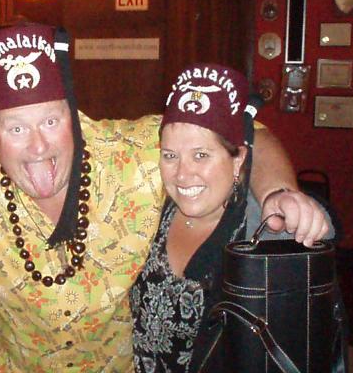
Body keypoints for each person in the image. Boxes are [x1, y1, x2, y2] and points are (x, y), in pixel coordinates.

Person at [0, 24, 328, 372]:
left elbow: (247, 133)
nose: (38, 147)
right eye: (17, 129)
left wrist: (280, 193)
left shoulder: (135, 153)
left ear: (72, 116)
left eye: (51, 121)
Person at [129, 64, 331, 372]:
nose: (182, 174)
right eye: (170, 156)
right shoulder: (150, 207)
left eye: (201, 155)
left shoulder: (260, 234)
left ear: (238, 160)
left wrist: (290, 202)